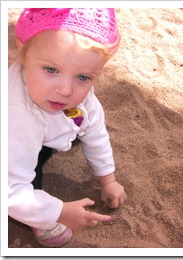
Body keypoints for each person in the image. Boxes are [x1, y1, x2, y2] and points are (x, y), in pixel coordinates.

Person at [8, 8, 126, 247]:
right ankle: (39, 221)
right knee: (26, 174)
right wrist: (58, 212)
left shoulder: (71, 94)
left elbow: (95, 130)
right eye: (51, 70)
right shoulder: (16, 114)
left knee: (80, 123)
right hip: (11, 141)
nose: (66, 90)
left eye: (83, 77)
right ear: (23, 51)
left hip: (44, 130)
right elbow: (9, 189)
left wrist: (108, 179)